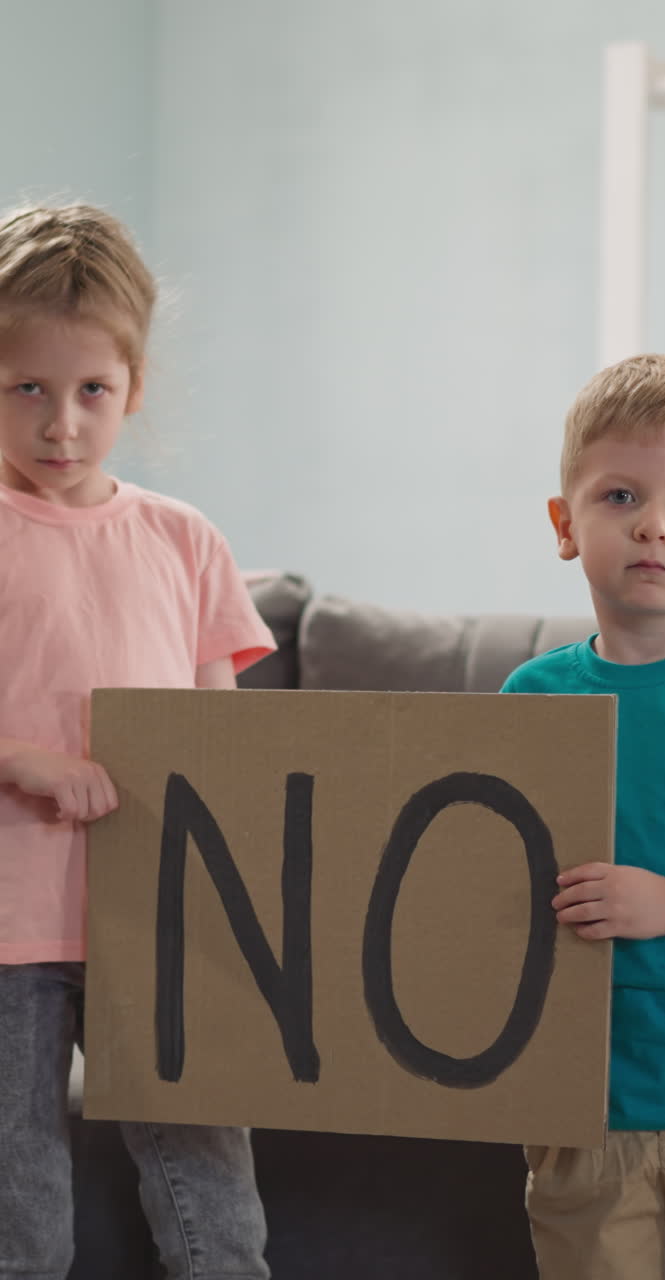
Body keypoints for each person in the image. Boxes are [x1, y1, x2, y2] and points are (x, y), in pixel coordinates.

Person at [0, 203, 274, 1279]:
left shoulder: (183, 538)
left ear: (135, 388)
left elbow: (223, 735)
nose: (61, 423)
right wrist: (25, 761)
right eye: (26, 387)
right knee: (18, 1196)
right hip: (12, 931)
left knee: (212, 1188)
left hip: (162, 918)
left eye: (92, 392)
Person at [501, 353, 665, 1280]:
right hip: (580, 1114)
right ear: (565, 525)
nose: (655, 526)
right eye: (621, 495)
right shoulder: (529, 699)